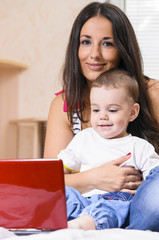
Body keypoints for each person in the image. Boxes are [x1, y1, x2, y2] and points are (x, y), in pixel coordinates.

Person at [44, 2, 159, 230]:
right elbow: (49, 182)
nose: (94, 54)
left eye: (107, 43)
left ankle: (114, 228)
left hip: (139, 203)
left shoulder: (152, 93)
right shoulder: (65, 105)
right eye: (86, 42)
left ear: (123, 49)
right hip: (85, 202)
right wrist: (96, 178)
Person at [58, 69, 159, 230]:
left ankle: (83, 224)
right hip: (84, 199)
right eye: (96, 110)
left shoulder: (138, 146)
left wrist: (141, 190)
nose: (102, 116)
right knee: (64, 194)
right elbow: (57, 170)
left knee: (114, 206)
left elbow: (154, 180)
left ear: (132, 112)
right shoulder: (83, 138)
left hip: (116, 200)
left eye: (112, 110)